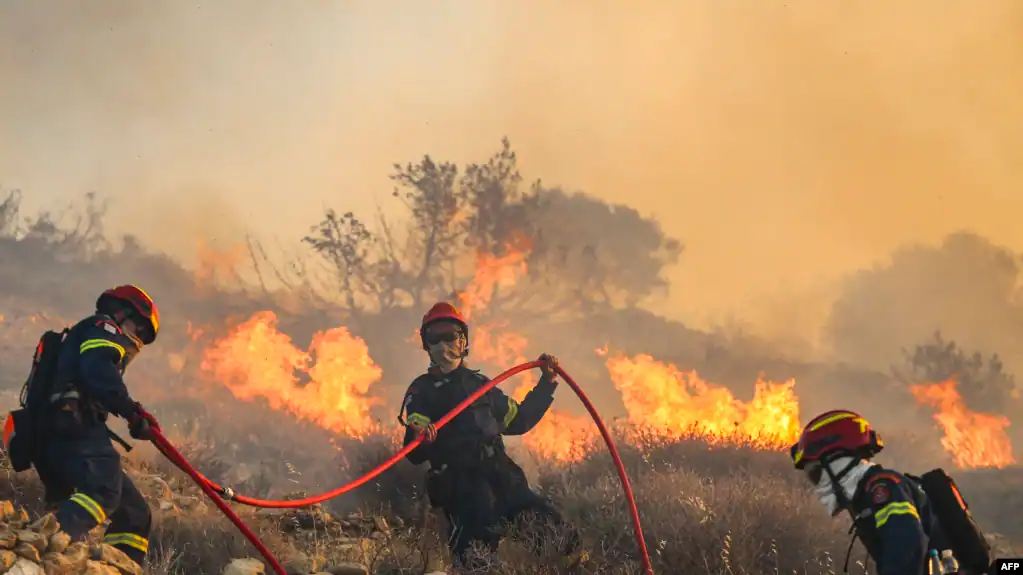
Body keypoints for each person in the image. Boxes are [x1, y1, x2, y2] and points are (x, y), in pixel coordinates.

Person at [399, 301, 585, 571]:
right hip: (464, 491)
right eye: (434, 337)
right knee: (476, 563)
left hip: (504, 481)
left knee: (563, 541)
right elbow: (414, 451)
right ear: (426, 345)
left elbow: (519, 420)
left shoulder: (481, 386)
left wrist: (547, 384)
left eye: (449, 335)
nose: (442, 344)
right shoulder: (421, 391)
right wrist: (422, 439)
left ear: (463, 341)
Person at [30, 284, 161, 568]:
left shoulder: (89, 332)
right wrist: (131, 412)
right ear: (121, 312)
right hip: (73, 429)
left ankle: (116, 569)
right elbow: (98, 369)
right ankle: (38, 554)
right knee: (104, 489)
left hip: (66, 435)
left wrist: (134, 415)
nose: (136, 339)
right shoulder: (103, 327)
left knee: (135, 513)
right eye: (137, 329)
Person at [789, 409, 988, 575]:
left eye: (816, 473)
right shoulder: (868, 495)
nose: (817, 484)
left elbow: (907, 545)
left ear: (838, 462)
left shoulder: (882, 488)